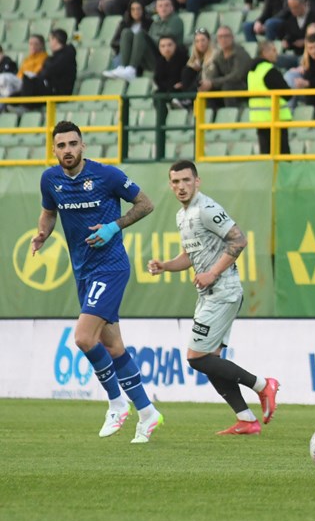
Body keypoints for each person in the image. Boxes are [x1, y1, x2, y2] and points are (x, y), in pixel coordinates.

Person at [31, 121, 163, 443]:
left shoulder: (107, 175)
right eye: (61, 146)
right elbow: (49, 211)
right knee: (114, 346)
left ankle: (116, 404)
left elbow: (146, 204)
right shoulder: (50, 179)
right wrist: (43, 233)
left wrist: (113, 227)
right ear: (54, 150)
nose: (68, 150)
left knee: (83, 337)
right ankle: (147, 412)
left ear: (83, 146)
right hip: (83, 271)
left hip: (111, 267)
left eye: (73, 144)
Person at [146, 161, 279, 434]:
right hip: (209, 293)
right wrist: (165, 266)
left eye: (186, 180)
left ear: (197, 181)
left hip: (223, 291)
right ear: (170, 185)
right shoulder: (182, 215)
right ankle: (246, 419)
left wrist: (213, 273)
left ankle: (263, 385)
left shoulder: (207, 209)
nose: (181, 186)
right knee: (211, 361)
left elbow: (239, 240)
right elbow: (189, 256)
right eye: (175, 182)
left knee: (196, 358)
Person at [247, 41, 291, 154]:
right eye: (274, 50)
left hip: (260, 119)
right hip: (275, 117)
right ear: (264, 52)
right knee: (282, 155)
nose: (277, 53)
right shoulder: (269, 70)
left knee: (266, 155)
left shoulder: (252, 72)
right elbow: (287, 93)